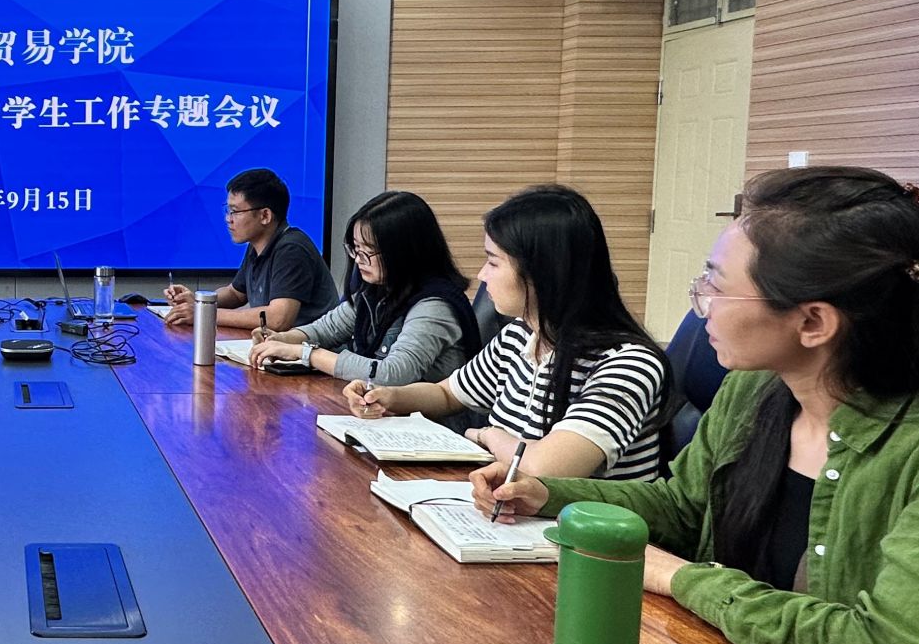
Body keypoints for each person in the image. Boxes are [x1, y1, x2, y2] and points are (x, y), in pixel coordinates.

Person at [475, 168, 919, 644]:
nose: (700, 304)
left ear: (813, 322)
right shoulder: (755, 390)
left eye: (716, 285)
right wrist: (548, 494)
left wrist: (684, 579)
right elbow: (684, 508)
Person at [346, 184, 667, 481]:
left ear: (541, 272)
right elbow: (447, 394)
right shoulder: (520, 334)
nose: (482, 275)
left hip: (577, 523)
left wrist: (487, 435)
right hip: (509, 509)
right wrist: (389, 396)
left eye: (493, 262)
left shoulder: (627, 363)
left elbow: (545, 470)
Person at [249, 190, 479, 385]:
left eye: (368, 250)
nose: (359, 260)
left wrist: (306, 353)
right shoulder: (379, 290)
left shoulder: (434, 306)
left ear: (405, 252)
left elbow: (394, 374)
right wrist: (282, 339)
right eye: (355, 248)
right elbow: (325, 329)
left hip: (425, 422)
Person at [162, 168, 338, 333]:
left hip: (311, 351)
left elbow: (279, 319)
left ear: (265, 216)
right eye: (227, 210)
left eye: (235, 211)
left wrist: (203, 314)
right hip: (279, 347)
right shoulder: (258, 244)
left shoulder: (292, 249)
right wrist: (199, 302)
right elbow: (235, 294)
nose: (228, 219)